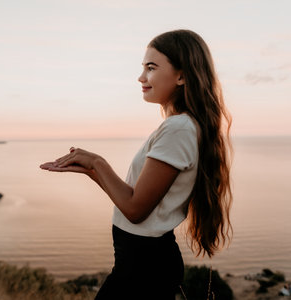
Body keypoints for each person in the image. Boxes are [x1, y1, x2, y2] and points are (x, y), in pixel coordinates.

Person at [40, 29, 232, 300]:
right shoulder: (181, 126)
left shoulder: (178, 129)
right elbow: (133, 197)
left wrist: (97, 161)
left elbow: (136, 209)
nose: (141, 77)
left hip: (144, 268)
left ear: (182, 75)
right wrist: (91, 171)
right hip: (143, 263)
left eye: (151, 68)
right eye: (143, 68)